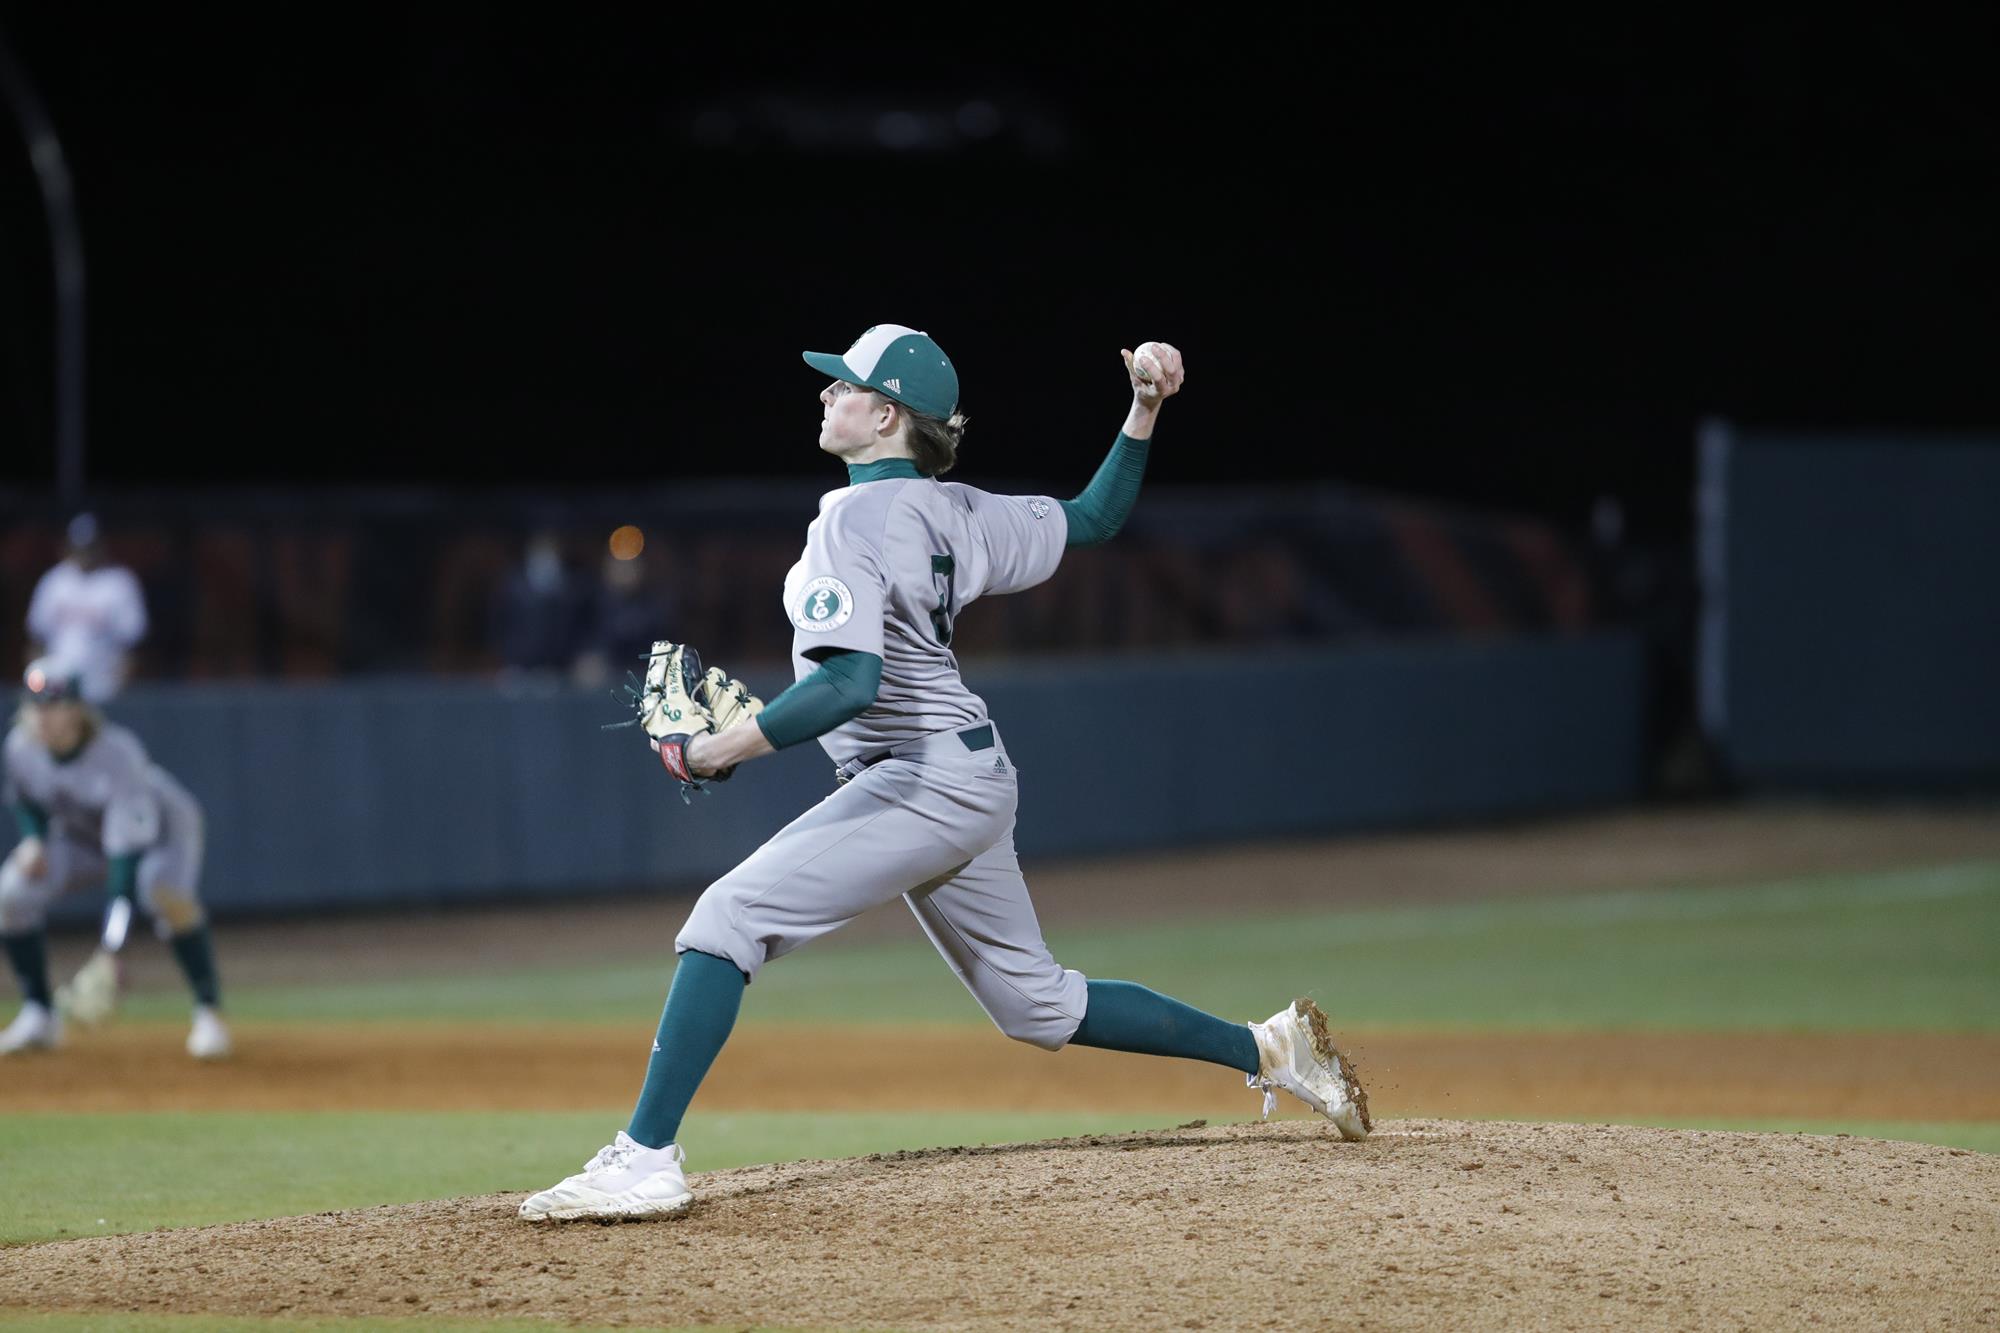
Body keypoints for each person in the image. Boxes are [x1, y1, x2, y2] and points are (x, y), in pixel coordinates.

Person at [519, 325, 1369, 1222]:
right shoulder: (959, 508)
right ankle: (1270, 1047)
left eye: (841, 386)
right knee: (1036, 1004)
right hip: (966, 771)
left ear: (884, 414)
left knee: (728, 916)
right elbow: (1093, 517)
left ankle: (646, 1157)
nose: (824, 395)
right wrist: (1144, 409)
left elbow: (852, 682)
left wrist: (714, 750)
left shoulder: (848, 518)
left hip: (921, 779)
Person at [0, 659, 229, 1058]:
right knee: (11, 893)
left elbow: (123, 869)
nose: (42, 715)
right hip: (82, 839)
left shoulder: (117, 755)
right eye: (35, 704)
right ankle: (40, 1014)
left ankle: (208, 1012)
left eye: (53, 704)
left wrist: (112, 949)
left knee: (161, 895)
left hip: (162, 834)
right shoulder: (20, 746)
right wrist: (35, 839)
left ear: (76, 709)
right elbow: (26, 799)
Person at [26, 513, 149, 704]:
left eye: (90, 548)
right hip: (58, 690)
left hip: (102, 690)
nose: (85, 554)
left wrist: (117, 692)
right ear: (68, 546)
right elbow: (36, 640)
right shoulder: (54, 581)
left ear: (101, 546)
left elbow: (131, 647)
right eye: (80, 548)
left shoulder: (120, 582)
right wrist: (38, 688)